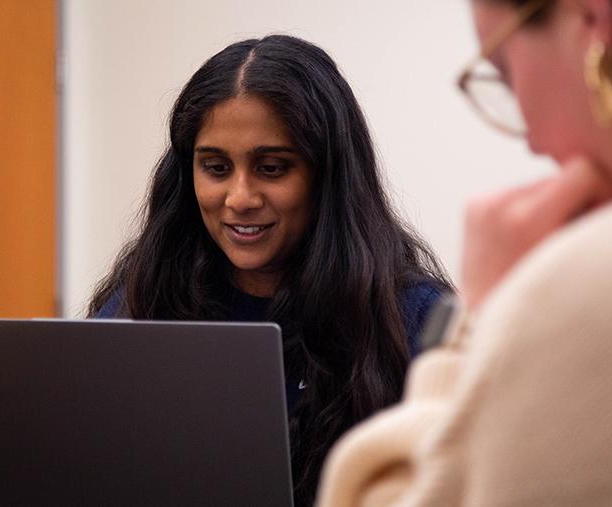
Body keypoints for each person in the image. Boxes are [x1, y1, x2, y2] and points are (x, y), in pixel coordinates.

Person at [318, 0, 612, 505]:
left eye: (503, 71)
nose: (535, 142)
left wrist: (476, 317)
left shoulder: (602, 285)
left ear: (593, 21)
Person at [87, 34, 453, 505]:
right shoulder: (147, 295)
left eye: (273, 168)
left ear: (327, 174)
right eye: (216, 168)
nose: (239, 198)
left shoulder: (412, 319)